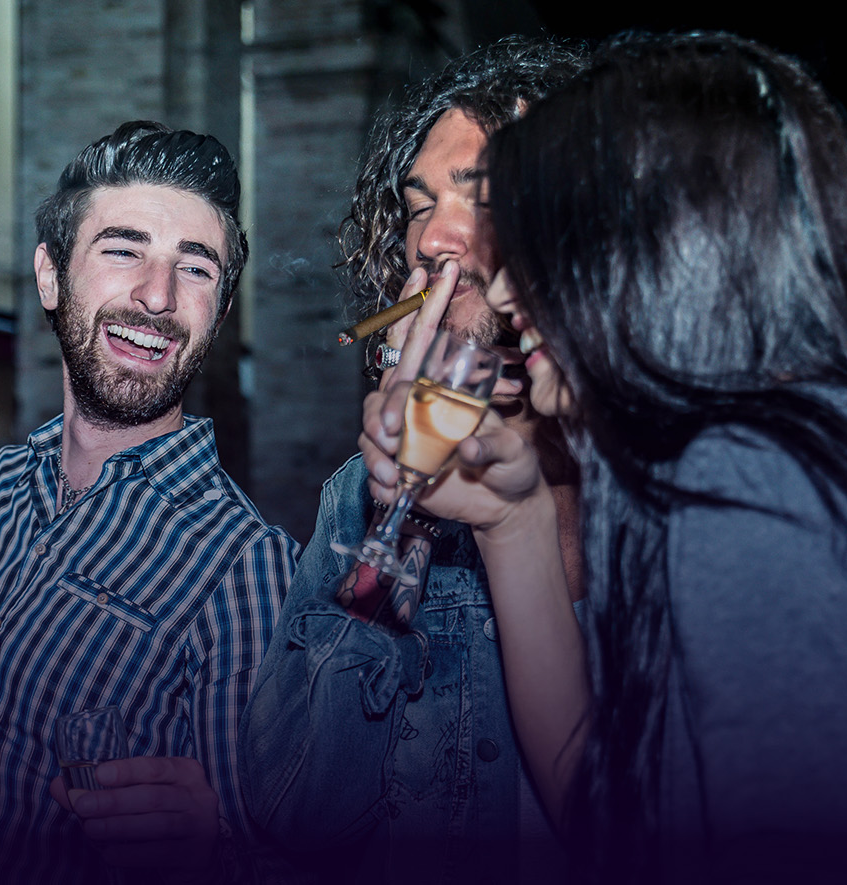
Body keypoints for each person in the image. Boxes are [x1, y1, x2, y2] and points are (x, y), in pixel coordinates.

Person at [365, 31, 847, 882]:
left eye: (551, 238)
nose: (511, 290)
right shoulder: (817, 441)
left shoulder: (749, 476)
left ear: (662, 243)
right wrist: (512, 522)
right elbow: (616, 814)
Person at [0, 121, 297, 883]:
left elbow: (265, 845)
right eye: (123, 250)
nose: (158, 296)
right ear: (51, 277)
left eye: (195, 268)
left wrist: (209, 848)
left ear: (218, 314)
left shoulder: (246, 566)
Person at [240, 36, 589, 883]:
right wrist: (405, 518)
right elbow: (296, 809)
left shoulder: (678, 485)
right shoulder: (359, 495)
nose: (433, 237)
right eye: (418, 205)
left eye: (484, 196)